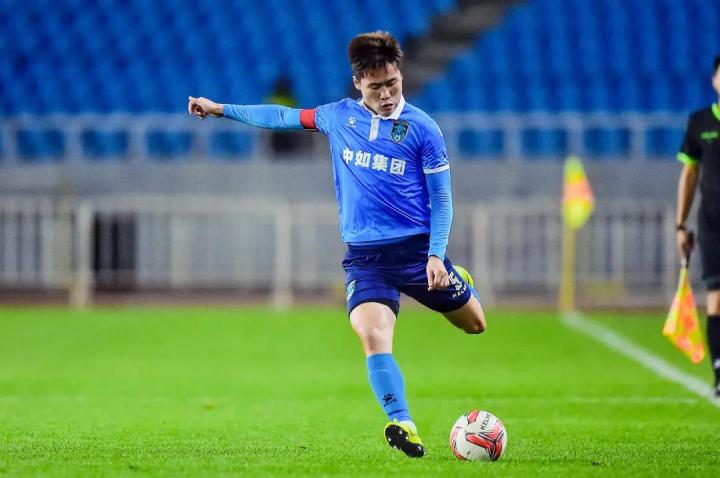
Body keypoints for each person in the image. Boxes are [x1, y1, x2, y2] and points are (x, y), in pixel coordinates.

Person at [188, 31, 486, 457]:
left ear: (401, 76)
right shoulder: (337, 117)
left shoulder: (423, 129)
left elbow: (442, 199)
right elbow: (281, 116)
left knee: (474, 324)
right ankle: (403, 422)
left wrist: (437, 255)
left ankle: (460, 279)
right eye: (376, 87)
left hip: (419, 254)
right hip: (367, 260)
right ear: (358, 83)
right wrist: (220, 109)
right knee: (371, 333)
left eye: (392, 84)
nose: (386, 95)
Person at [676, 54, 720, 397]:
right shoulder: (700, 121)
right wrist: (680, 224)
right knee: (716, 299)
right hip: (713, 222)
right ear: (714, 80)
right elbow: (689, 173)